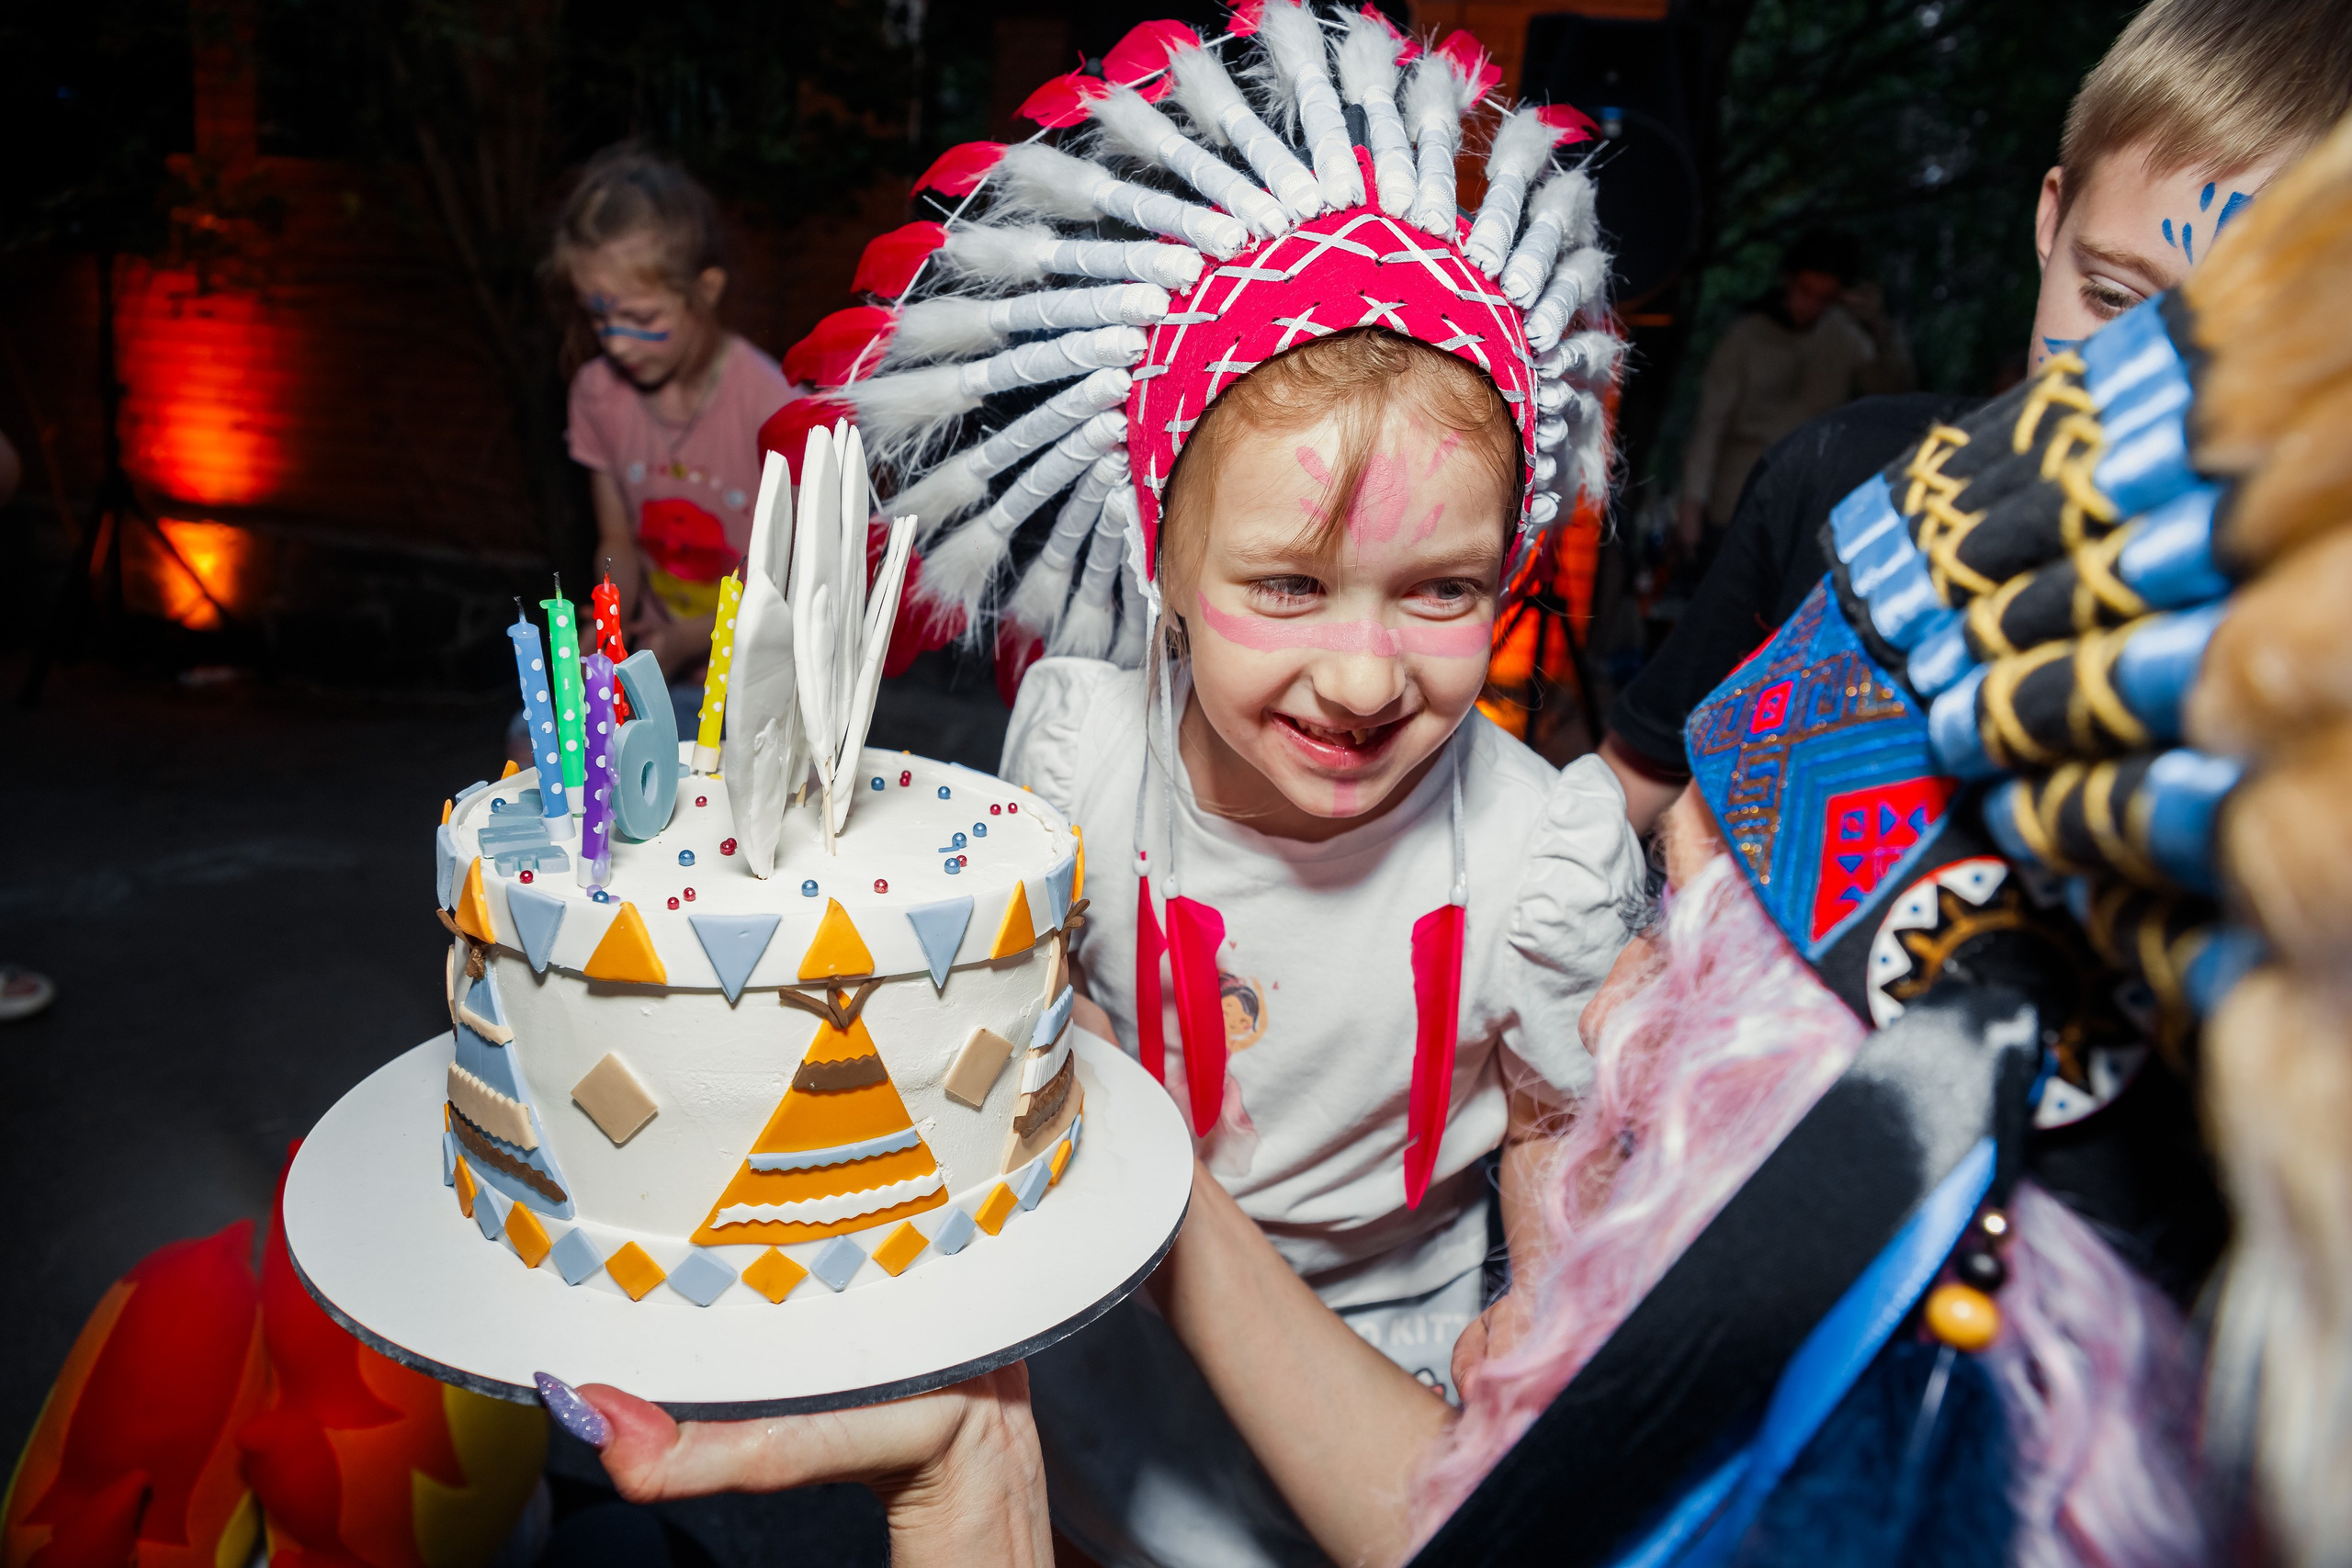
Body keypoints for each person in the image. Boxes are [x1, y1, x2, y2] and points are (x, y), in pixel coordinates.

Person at [1603, 0, 2352, 835]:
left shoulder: (2308, 670)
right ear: (2051, 220)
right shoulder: (1841, 488)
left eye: (2246, 349)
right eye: (2110, 298)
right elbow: (1637, 778)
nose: (2144, 391)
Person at [546, 143, 799, 741]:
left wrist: (699, 635)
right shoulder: (596, 395)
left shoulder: (772, 407)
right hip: (652, 672)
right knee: (537, 747)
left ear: (705, 290)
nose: (617, 342)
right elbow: (617, 540)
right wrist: (611, 615)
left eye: (641, 316)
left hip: (759, 683)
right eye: (598, 318)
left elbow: (794, 577)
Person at [1672, 229, 1914, 559]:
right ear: (1788, 281)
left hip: (1808, 501)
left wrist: (1880, 327)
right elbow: (1709, 424)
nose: (1812, 305)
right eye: (1805, 290)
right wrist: (1692, 502)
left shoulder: (1844, 337)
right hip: (1738, 497)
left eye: (1825, 297)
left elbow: (1895, 391)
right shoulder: (1746, 336)